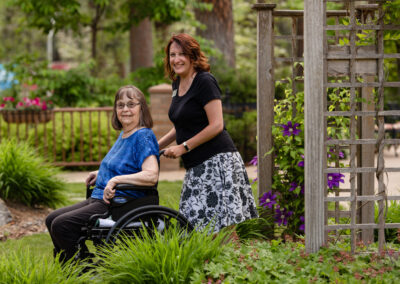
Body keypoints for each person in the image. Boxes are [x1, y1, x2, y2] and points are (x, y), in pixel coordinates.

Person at [45, 85, 159, 262]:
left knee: (62, 225)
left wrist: (115, 180)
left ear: (141, 108)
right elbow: (126, 164)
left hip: (119, 202)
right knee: (51, 219)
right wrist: (102, 173)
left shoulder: (142, 136)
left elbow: (151, 175)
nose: (125, 109)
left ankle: (83, 267)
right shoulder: (125, 134)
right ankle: (74, 263)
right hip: (101, 197)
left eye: (131, 104)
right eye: (120, 105)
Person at [158, 33, 258, 232]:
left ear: (193, 56)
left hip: (218, 162)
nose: (176, 59)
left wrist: (183, 147)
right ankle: (219, 264)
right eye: (172, 55)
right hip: (196, 166)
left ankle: (237, 263)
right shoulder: (177, 84)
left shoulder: (205, 81)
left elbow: (216, 125)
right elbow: (182, 125)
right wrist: (154, 146)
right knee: (197, 229)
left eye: (181, 54)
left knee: (221, 231)